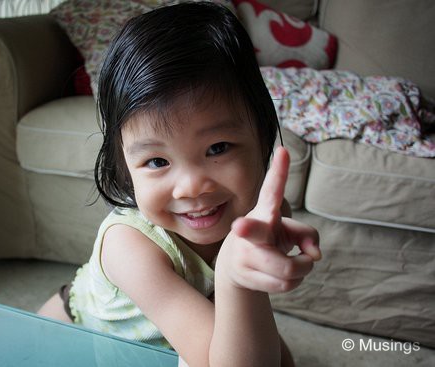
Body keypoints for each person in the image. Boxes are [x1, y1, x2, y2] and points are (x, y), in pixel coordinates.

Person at [38, 2, 321, 366]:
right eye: (157, 162)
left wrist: (242, 268)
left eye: (217, 148)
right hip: (77, 334)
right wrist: (236, 275)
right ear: (124, 164)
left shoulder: (258, 214)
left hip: (187, 317)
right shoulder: (129, 246)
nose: (190, 188)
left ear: (262, 136)